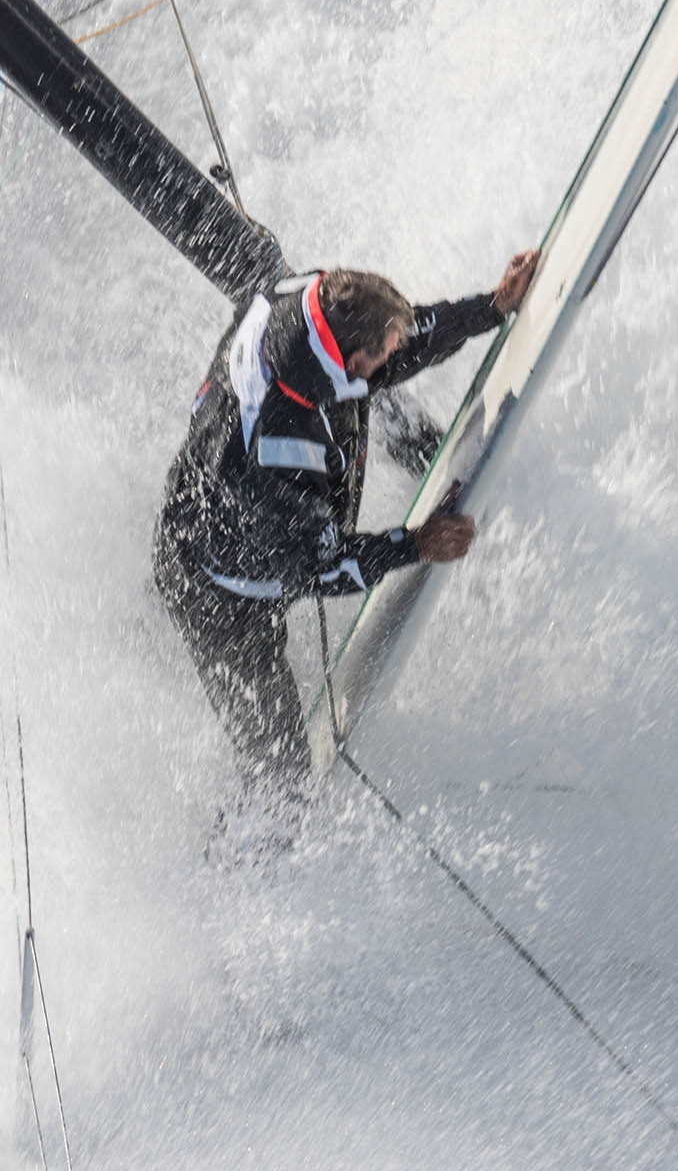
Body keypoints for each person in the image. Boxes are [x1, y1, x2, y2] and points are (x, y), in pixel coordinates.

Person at [154, 248, 540, 803]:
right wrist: (414, 545)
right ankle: (247, 864)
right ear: (354, 360)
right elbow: (321, 565)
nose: (390, 358)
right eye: (380, 356)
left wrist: (491, 307)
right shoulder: (289, 442)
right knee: (281, 780)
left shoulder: (310, 298)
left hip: (202, 510)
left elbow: (398, 342)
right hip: (221, 599)